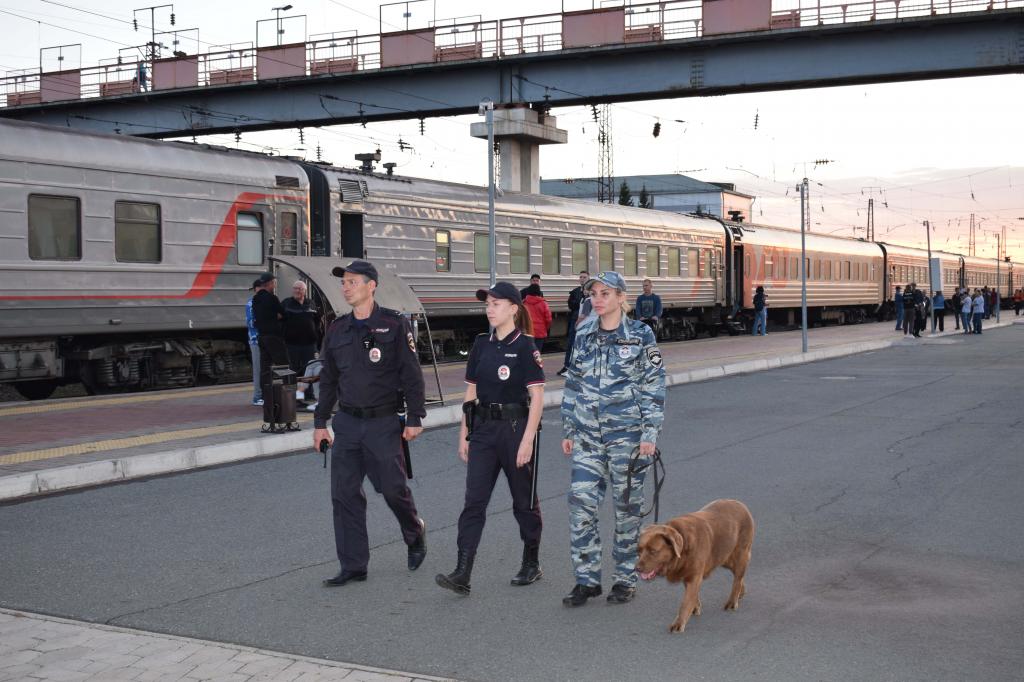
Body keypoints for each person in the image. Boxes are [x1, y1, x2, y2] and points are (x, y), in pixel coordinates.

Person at [312, 260, 428, 587]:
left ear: (370, 285)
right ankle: (353, 565)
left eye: (352, 282)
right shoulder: (337, 329)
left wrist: (415, 416)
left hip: (383, 422)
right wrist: (321, 422)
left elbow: (411, 375)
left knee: (393, 489)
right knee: (344, 494)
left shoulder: (393, 325)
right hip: (347, 423)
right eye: (344, 283)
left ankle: (414, 530)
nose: (345, 287)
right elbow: (329, 380)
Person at [560, 271, 666, 607]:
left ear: (622, 297)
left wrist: (649, 434)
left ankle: (624, 579)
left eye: (605, 293)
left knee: (626, 512)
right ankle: (587, 578)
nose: (598, 299)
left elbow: (654, 384)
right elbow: (573, 381)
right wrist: (569, 427)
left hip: (628, 439)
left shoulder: (639, 335)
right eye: (594, 293)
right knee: (581, 507)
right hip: (588, 437)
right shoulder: (585, 333)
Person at [436, 282, 545, 596]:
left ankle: (531, 560)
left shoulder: (526, 347)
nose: (490, 308)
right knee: (474, 502)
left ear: (513, 308)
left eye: (496, 303)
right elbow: (471, 392)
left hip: (514, 430)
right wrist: (464, 434)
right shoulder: (481, 344)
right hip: (483, 429)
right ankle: (462, 572)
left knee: (523, 501)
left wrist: (527, 441)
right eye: (487, 304)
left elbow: (537, 397)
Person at [251, 272, 290, 431]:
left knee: (265, 371)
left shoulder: (255, 299)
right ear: (268, 284)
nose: (274, 285)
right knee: (284, 367)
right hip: (274, 337)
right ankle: (288, 400)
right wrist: (278, 317)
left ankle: (267, 399)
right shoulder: (271, 298)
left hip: (262, 338)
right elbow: (284, 314)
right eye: (273, 283)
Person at [281, 280, 321, 402]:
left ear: (305, 291)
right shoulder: (286, 303)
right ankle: (295, 397)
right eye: (295, 288)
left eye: (300, 289)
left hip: (309, 344)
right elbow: (279, 321)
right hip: (292, 344)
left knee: (309, 370)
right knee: (293, 370)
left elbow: (317, 321)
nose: (297, 291)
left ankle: (308, 394)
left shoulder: (311, 303)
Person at [559, 271, 589, 376]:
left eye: (584, 277)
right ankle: (567, 365)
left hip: (586, 323)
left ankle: (582, 367)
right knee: (571, 343)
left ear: (588, 278)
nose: (582, 279)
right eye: (580, 277)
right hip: (574, 320)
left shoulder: (592, 292)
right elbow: (570, 305)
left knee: (584, 345)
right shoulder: (575, 291)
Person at [523, 283, 552, 354]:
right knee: (537, 354)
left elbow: (521, 318)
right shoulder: (543, 303)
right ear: (538, 291)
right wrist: (546, 329)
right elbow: (548, 319)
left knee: (527, 354)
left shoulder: (524, 303)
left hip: (527, 332)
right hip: (540, 333)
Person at [245, 288, 262, 407]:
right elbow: (251, 323)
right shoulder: (251, 304)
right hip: (256, 340)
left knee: (264, 370)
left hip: (265, 340)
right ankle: (257, 397)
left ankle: (262, 395)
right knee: (258, 369)